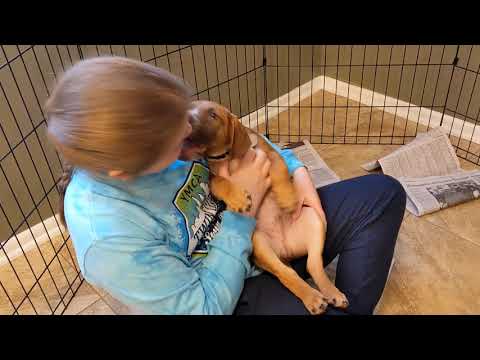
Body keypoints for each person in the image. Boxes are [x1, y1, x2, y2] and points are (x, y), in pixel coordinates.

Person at [46, 57, 406, 315]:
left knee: (383, 194)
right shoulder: (108, 241)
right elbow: (204, 308)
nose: (189, 132)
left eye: (184, 117)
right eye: (179, 144)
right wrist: (245, 213)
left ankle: (346, 303)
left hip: (274, 232)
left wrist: (300, 180)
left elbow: (255, 145)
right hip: (232, 290)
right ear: (122, 172)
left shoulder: (164, 126)